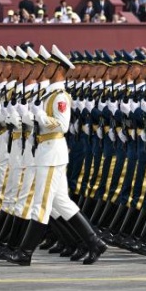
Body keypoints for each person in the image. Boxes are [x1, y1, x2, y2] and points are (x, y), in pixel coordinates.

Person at [6, 45, 108, 266]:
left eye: (50, 65)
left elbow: (61, 125)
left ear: (59, 69)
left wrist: (40, 117)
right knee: (61, 203)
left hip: (52, 153)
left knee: (41, 204)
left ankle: (25, 252)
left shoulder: (60, 96)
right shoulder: (49, 93)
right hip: (46, 152)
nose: (45, 68)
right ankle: (95, 243)